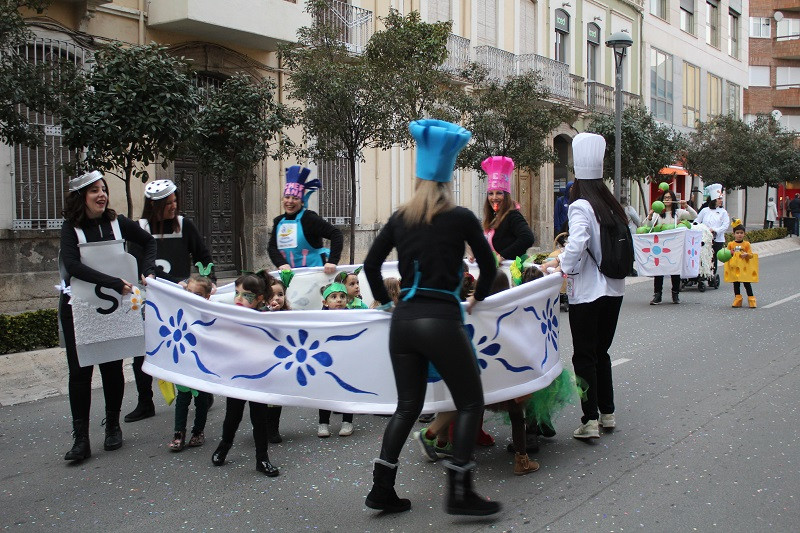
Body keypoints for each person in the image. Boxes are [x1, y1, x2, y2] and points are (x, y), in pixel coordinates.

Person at [363, 119, 500, 516]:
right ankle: (460, 490)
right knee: (471, 400)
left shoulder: (400, 217)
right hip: (441, 319)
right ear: (448, 181)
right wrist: (477, 297)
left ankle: (381, 489)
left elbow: (372, 266)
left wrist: (387, 305)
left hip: (403, 321)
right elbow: (488, 268)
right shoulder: (460, 218)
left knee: (407, 406)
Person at [59, 170, 156, 462]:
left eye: (103, 190)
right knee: (80, 373)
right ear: (81, 198)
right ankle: (81, 439)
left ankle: (113, 426)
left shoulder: (117, 223)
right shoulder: (69, 228)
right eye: (94, 191)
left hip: (116, 306)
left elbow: (149, 242)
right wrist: (114, 282)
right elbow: (73, 266)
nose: (102, 195)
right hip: (80, 308)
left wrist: (147, 269)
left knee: (112, 368)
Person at [542, 132, 626, 440]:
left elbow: (577, 243)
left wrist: (561, 266)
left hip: (588, 293)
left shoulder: (580, 206)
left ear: (578, 177)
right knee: (601, 353)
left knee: (584, 356)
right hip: (614, 291)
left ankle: (589, 420)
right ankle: (608, 413)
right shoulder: (611, 205)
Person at [125, 179, 216, 424]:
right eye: (168, 203)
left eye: (175, 201)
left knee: (190, 348)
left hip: (183, 298)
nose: (174, 207)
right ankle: (145, 402)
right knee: (143, 353)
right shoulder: (140, 228)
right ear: (154, 206)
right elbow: (136, 265)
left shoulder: (184, 225)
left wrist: (208, 282)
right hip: (152, 300)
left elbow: (203, 256)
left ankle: (202, 395)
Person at [211, 273, 279, 477]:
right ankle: (224, 445)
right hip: (237, 377)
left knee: (259, 419)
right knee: (232, 415)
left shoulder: (268, 317)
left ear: (259, 299)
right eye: (237, 293)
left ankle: (262, 458)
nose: (239, 298)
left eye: (246, 295)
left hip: (259, 377)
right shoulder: (231, 315)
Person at [268, 165, 343, 274]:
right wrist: (281, 263)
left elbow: (336, 234)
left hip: (314, 276)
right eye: (287, 197)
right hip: (289, 277)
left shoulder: (309, 218)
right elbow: (272, 247)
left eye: (295, 198)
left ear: (302, 201)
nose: (290, 201)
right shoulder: (278, 221)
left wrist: (332, 261)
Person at [169, 274, 214, 451]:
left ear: (206, 297)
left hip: (202, 365)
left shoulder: (210, 313)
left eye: (197, 294)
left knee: (201, 401)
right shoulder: (180, 308)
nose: (191, 296)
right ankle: (178, 433)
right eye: (189, 292)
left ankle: (198, 431)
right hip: (184, 364)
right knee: (182, 400)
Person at [317, 282, 356, 437]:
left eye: (342, 297)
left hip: (346, 360)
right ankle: (323, 423)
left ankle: (347, 421)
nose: (339, 300)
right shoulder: (318, 319)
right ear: (325, 302)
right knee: (325, 391)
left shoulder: (353, 317)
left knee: (347, 389)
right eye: (333, 297)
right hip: (326, 361)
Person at [646, 190, 697, 305]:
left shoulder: (678, 212)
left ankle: (675, 293)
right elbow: (649, 227)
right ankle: (657, 295)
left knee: (675, 269)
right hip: (660, 246)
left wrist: (686, 206)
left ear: (673, 199)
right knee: (659, 269)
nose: (667, 199)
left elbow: (694, 216)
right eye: (665, 197)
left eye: (669, 197)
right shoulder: (658, 213)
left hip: (674, 246)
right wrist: (650, 215)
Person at [479, 156, 535, 261]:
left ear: (506, 195)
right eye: (491, 193)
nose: (494, 198)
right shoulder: (492, 217)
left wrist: (502, 256)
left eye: (499, 193)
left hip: (509, 273)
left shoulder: (512, 215)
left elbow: (528, 238)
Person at [264, 275, 291, 443]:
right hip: (264, 363)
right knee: (262, 400)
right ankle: (262, 427)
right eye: (272, 295)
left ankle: (273, 428)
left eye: (280, 294)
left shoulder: (288, 315)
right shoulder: (261, 313)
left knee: (276, 400)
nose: (277, 298)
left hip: (280, 363)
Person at [694, 184, 730, 278]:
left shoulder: (723, 212)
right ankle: (700, 273)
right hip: (704, 239)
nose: (721, 201)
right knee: (702, 256)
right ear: (714, 200)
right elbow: (697, 221)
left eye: (721, 199)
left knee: (713, 257)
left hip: (717, 239)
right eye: (719, 199)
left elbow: (725, 225)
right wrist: (698, 228)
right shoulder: (705, 210)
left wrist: (715, 230)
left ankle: (711, 274)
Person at [728, 224, 757, 308]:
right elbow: (727, 254)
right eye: (737, 233)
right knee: (736, 283)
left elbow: (751, 255)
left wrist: (746, 254)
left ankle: (751, 299)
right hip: (735, 267)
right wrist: (730, 253)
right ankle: (738, 299)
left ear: (744, 234)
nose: (739, 235)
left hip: (745, 268)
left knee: (747, 283)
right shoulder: (731, 244)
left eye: (741, 233)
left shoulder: (746, 244)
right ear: (733, 234)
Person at [620, 197, 641, 277]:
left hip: (620, 233)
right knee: (631, 251)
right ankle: (630, 269)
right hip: (630, 232)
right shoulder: (629, 209)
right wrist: (639, 226)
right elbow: (637, 220)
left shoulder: (616, 209)